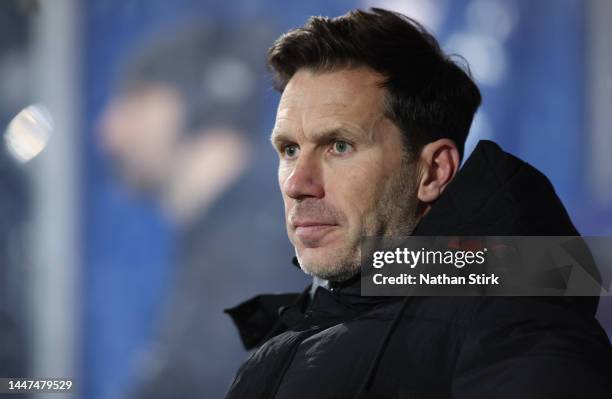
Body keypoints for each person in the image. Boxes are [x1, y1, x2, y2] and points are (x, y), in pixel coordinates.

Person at [224, 8, 612, 399]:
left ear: (433, 172)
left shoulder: (517, 323)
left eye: (339, 146)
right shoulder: (276, 353)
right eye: (289, 149)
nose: (296, 184)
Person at [99, 21, 305, 398]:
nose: (110, 130)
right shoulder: (244, 233)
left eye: (136, 100)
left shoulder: (262, 245)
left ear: (200, 103)